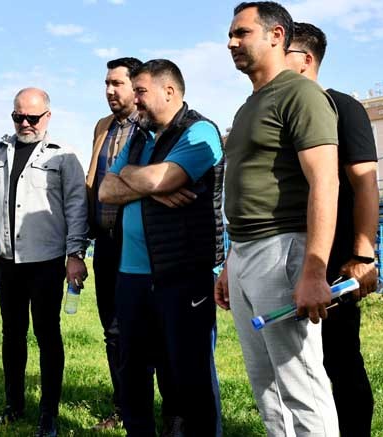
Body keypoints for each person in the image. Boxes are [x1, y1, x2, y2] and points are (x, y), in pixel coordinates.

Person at [217, 2, 341, 435]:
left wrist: (314, 270)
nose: (231, 42)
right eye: (230, 34)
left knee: (300, 384)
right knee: (266, 386)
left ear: (276, 35)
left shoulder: (300, 94)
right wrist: (231, 262)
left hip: (282, 250)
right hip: (246, 253)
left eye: (242, 33)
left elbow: (325, 182)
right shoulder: (249, 105)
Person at [98, 59, 223, 437]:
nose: (134, 100)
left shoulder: (199, 131)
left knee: (190, 376)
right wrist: (148, 186)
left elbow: (164, 178)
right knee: (133, 373)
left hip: (182, 274)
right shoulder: (140, 136)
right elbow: (105, 190)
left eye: (141, 91)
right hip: (131, 276)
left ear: (169, 91)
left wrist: (133, 177)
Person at [0, 87, 89, 437]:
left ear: (47, 116)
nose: (25, 123)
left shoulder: (63, 155)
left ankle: (48, 414)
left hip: (46, 260)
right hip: (6, 259)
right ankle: (13, 406)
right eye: (18, 116)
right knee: (12, 333)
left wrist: (75, 255)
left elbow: (76, 206)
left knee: (47, 333)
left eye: (32, 117)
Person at [286, 22, 379, 436]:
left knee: (339, 360)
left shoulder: (342, 107)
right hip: (288, 254)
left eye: (283, 52)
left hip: (334, 259)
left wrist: (362, 254)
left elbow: (365, 184)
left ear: (306, 60)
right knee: (297, 365)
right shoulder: (281, 113)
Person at [84, 56, 143, 430]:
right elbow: (92, 183)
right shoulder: (102, 127)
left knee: (145, 329)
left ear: (137, 87)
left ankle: (167, 412)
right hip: (105, 244)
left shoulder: (150, 125)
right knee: (113, 330)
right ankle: (123, 408)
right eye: (107, 83)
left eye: (116, 83)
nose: (109, 90)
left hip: (138, 244)